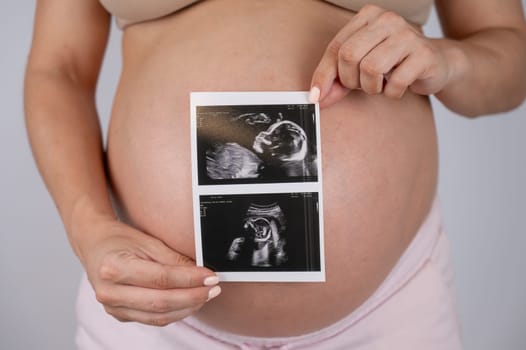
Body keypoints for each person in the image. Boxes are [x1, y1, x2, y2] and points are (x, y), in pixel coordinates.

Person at [24, 0, 526, 349]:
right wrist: (90, 230)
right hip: (152, 309)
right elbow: (58, 69)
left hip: (386, 312)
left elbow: (511, 59)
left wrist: (449, 59)